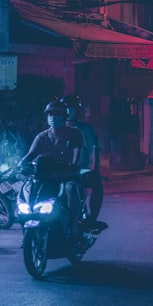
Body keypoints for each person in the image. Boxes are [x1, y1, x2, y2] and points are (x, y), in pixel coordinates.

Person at [19, 100, 86, 232]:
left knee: (71, 189)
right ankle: (26, 230)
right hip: (45, 177)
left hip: (65, 175)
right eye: (50, 114)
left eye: (56, 113)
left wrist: (72, 165)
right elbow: (31, 154)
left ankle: (73, 226)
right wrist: (21, 164)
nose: (53, 117)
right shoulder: (42, 136)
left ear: (64, 116)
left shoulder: (74, 133)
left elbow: (77, 152)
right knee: (25, 191)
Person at [61, 94, 107, 232]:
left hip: (80, 169)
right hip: (58, 170)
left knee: (96, 184)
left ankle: (92, 219)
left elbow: (95, 149)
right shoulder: (54, 129)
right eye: (65, 108)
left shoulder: (85, 129)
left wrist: (96, 169)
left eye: (71, 108)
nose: (68, 111)